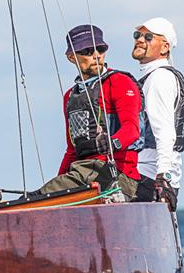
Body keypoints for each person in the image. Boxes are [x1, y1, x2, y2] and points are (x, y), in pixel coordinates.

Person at [34, 24, 143, 200]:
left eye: (100, 49)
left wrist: (111, 143)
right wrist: (56, 183)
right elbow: (71, 150)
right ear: (71, 57)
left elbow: (132, 129)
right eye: (87, 51)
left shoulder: (119, 82)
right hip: (82, 173)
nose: (96, 55)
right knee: (39, 197)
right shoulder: (70, 96)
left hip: (116, 175)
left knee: (43, 198)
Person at [131, 17, 184, 212]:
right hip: (145, 174)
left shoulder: (159, 78)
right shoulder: (154, 77)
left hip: (147, 177)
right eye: (137, 35)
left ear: (164, 47)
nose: (140, 40)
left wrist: (163, 178)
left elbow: (164, 131)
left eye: (148, 37)